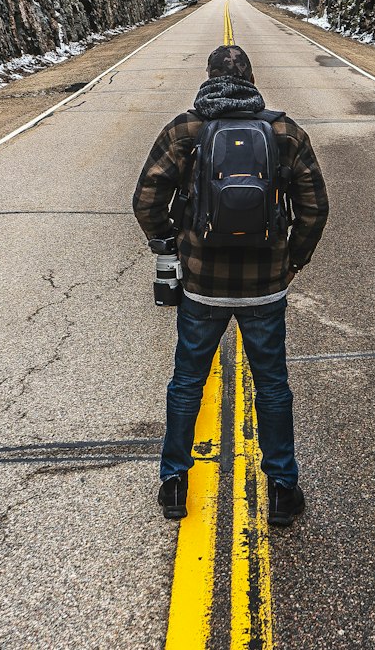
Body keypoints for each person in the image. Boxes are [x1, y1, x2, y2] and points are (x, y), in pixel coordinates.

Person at [132, 43, 329, 526]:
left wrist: (169, 248)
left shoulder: (186, 130)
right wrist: (293, 262)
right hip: (265, 286)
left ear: (208, 77)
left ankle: (174, 483)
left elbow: (146, 198)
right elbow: (315, 208)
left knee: (187, 384)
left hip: (201, 285)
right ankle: (283, 489)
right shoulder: (284, 131)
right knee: (272, 387)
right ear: (252, 79)